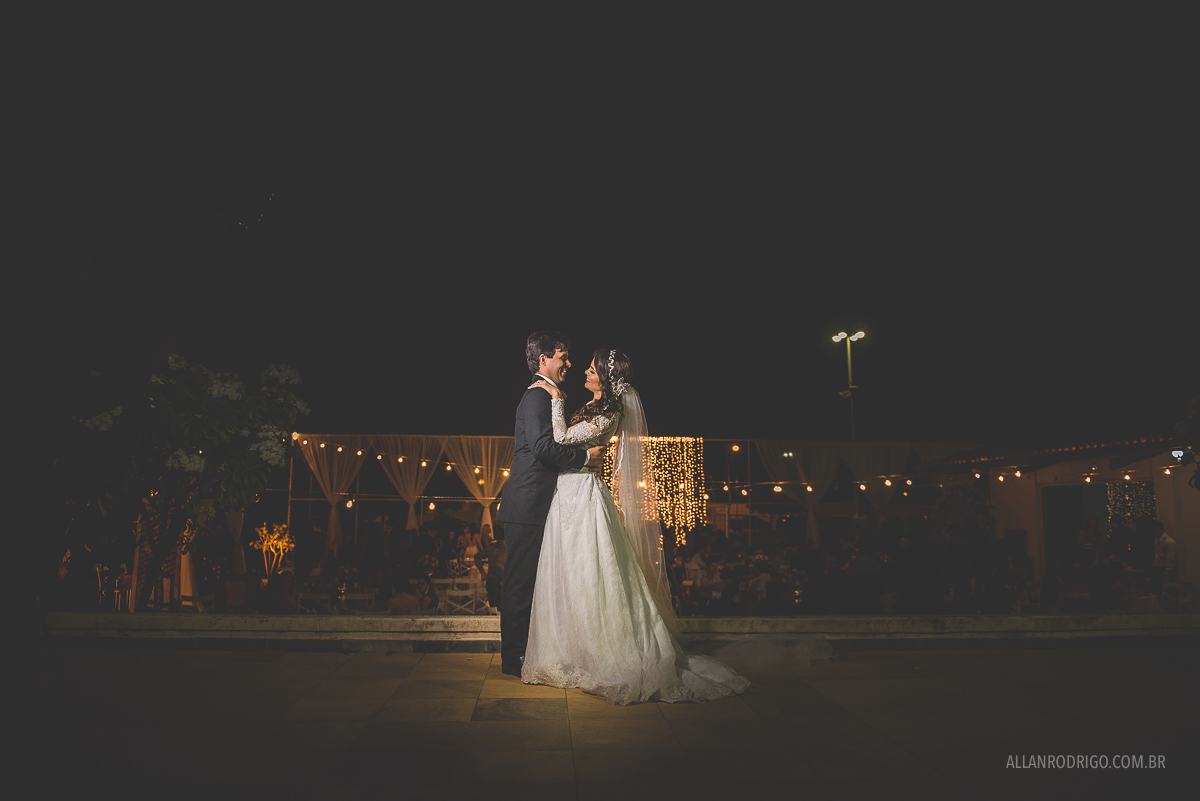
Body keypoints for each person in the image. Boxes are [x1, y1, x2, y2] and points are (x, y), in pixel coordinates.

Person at [522, 348, 750, 704]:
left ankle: (601, 652)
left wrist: (554, 399)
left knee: (588, 570)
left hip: (583, 496)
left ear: (606, 379)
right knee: (565, 570)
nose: (584, 370)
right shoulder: (593, 406)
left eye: (592, 368)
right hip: (566, 493)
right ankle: (566, 650)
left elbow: (562, 438)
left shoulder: (610, 411)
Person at [494, 332, 605, 677]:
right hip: (527, 503)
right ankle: (514, 659)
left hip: (538, 505)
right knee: (519, 584)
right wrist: (586, 457)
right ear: (543, 360)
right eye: (563, 357)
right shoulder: (538, 396)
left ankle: (532, 651)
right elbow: (543, 447)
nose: (569, 364)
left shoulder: (548, 395)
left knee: (534, 583)